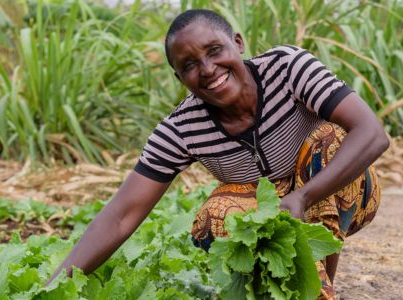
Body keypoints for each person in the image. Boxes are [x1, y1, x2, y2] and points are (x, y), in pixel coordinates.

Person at [48, 9, 389, 299]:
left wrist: (302, 197)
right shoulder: (182, 127)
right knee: (213, 215)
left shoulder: (287, 68)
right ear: (179, 77)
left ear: (237, 44)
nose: (208, 69)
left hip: (346, 192)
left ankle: (319, 284)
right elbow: (121, 215)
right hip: (266, 215)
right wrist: (51, 288)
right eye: (190, 64)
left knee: (330, 138)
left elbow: (372, 134)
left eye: (214, 50)